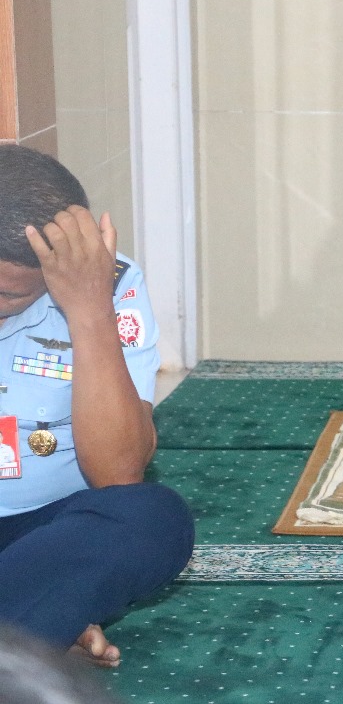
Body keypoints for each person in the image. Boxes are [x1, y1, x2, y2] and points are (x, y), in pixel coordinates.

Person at [0, 144, 195, 668]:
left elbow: (117, 473)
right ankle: (28, 636)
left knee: (153, 519)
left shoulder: (108, 284)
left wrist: (88, 309)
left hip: (42, 533)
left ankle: (23, 633)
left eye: (8, 296)